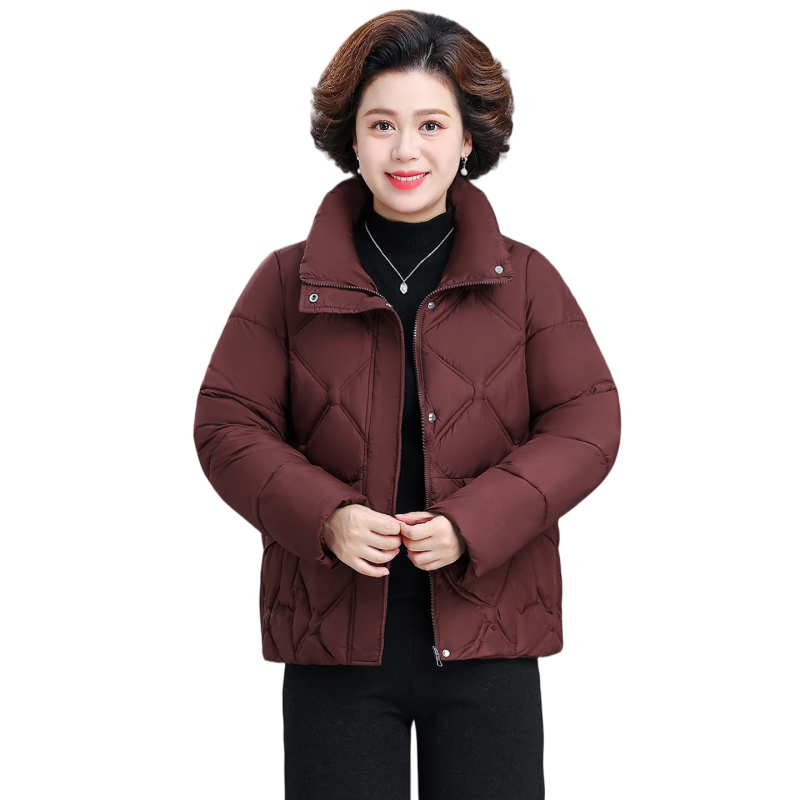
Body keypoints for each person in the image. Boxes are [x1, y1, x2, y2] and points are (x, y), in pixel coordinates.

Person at [193, 10, 621, 800]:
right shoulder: (286, 282)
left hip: (490, 631)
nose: (404, 150)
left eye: (430, 124)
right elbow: (227, 422)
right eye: (381, 124)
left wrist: (473, 523)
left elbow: (587, 422)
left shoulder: (527, 281)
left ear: (468, 140)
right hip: (334, 636)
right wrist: (325, 517)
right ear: (351, 138)